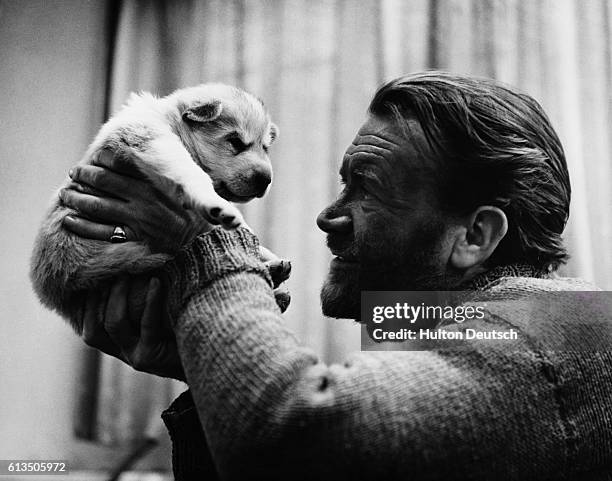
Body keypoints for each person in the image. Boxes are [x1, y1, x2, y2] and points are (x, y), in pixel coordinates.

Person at [59, 72, 612, 480]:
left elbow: (285, 439)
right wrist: (207, 379)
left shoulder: (569, 334)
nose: (327, 216)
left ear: (474, 236)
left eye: (365, 187)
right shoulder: (442, 330)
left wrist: (199, 232)